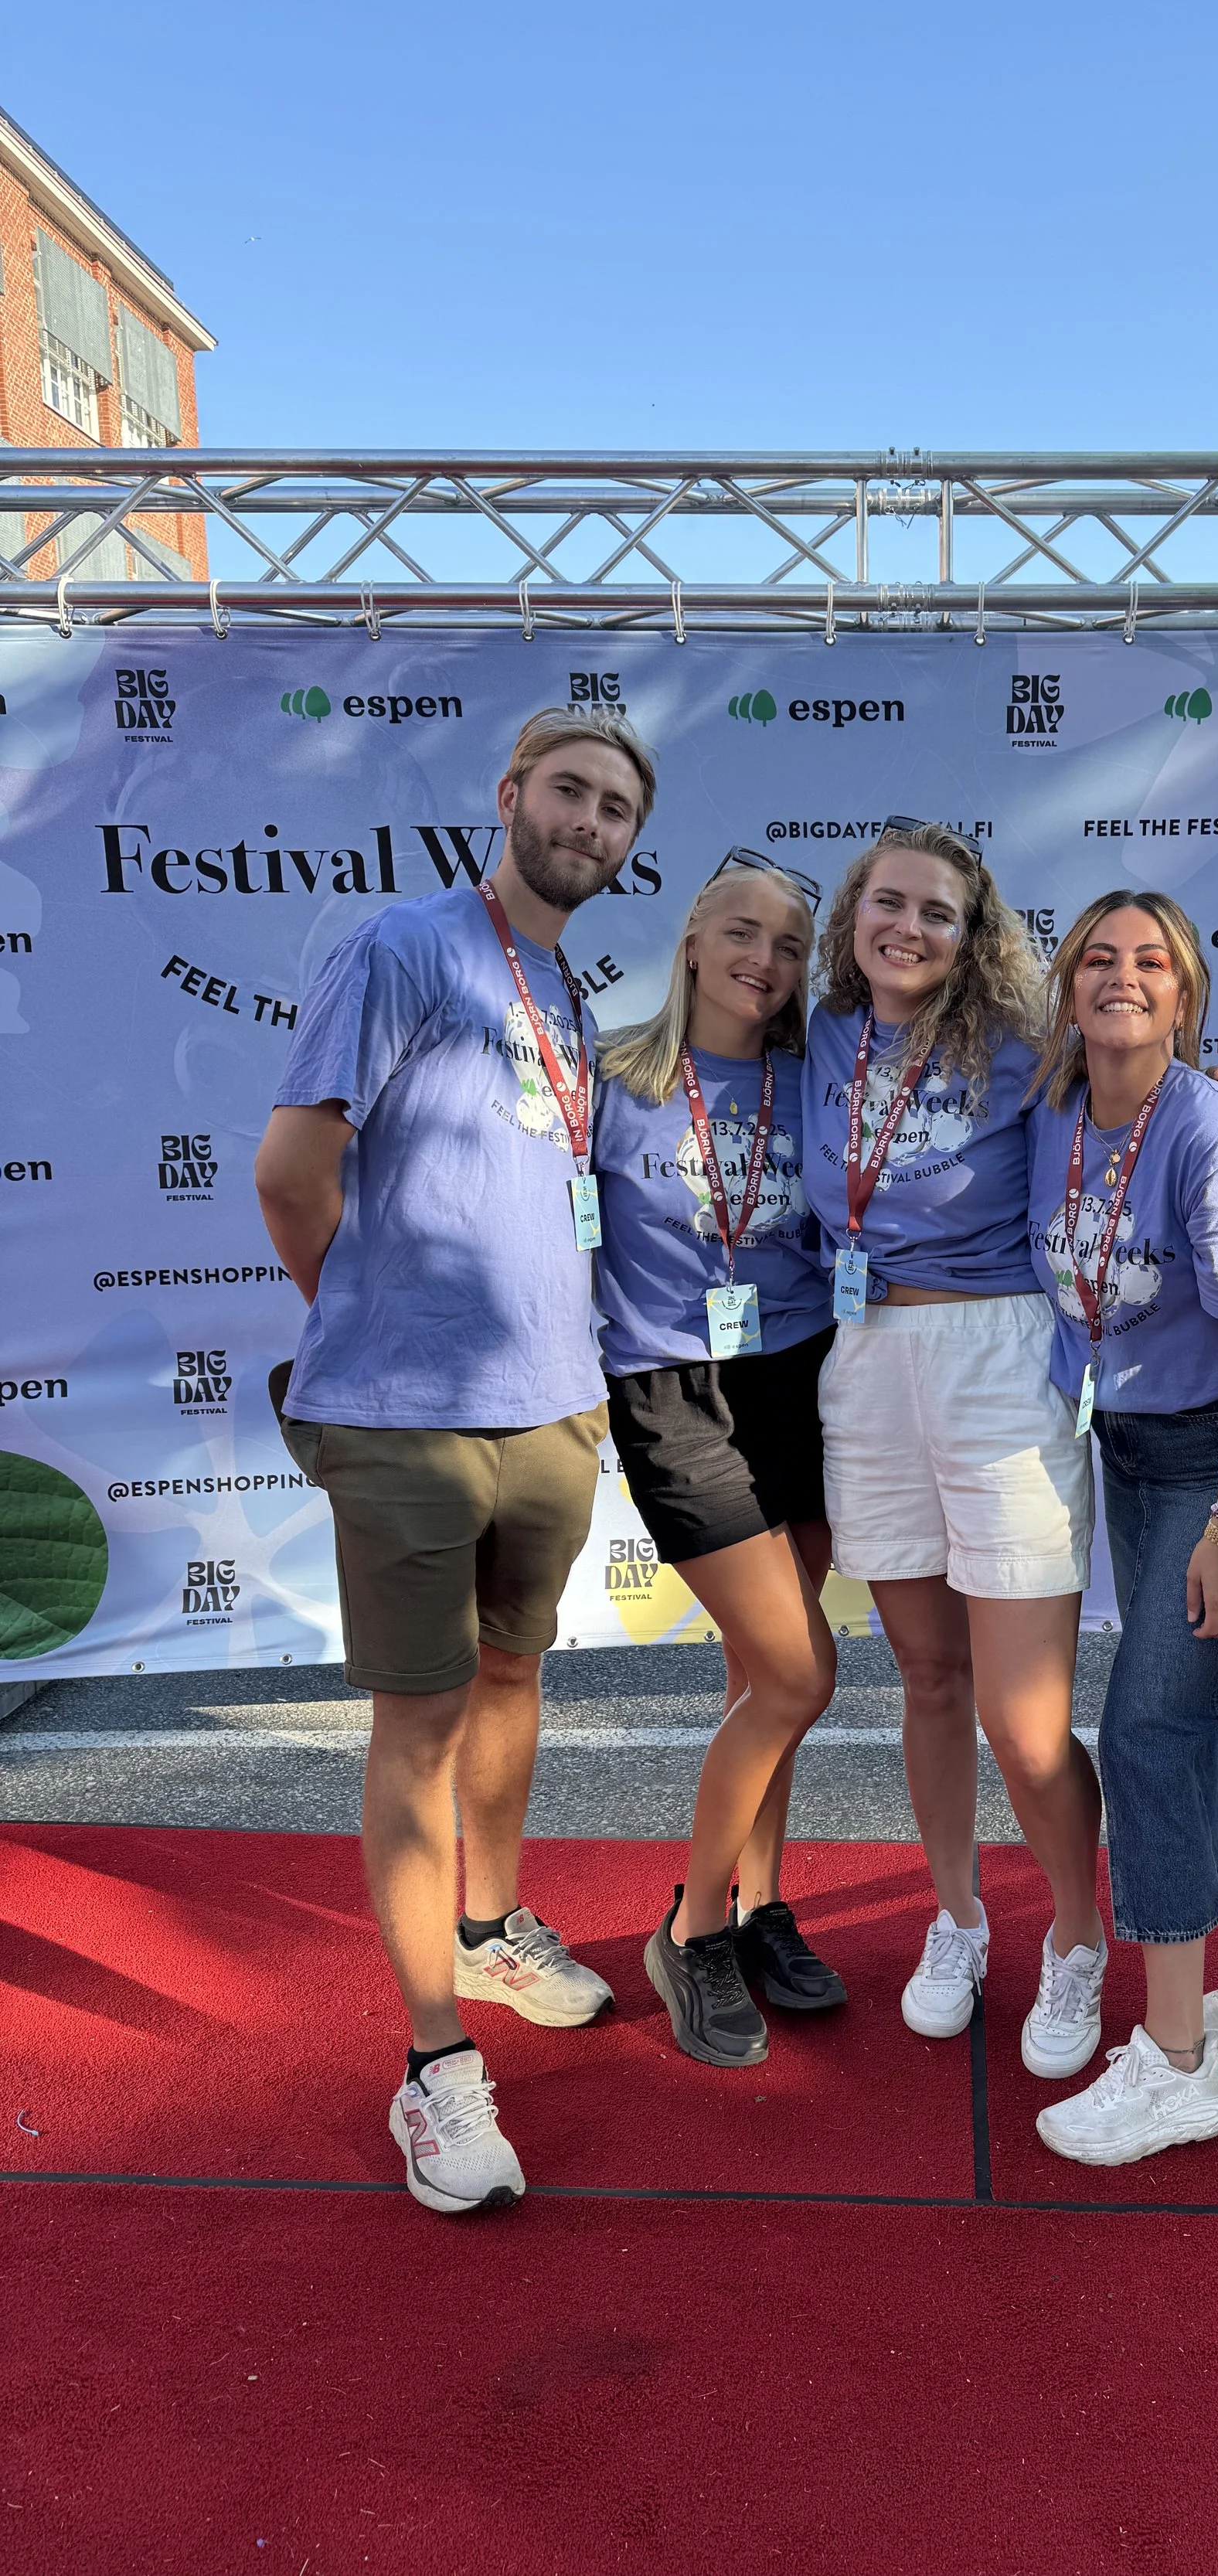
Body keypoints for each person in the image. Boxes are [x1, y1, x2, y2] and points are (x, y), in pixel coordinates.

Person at [254, 705, 655, 2217]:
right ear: (510, 796)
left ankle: (488, 1927)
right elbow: (295, 1172)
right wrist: (364, 1324)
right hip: (409, 1419)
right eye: (570, 790)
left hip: (550, 1416)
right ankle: (433, 2067)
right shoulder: (401, 947)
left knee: (510, 1676)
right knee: (416, 1726)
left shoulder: (557, 982)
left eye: (616, 807)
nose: (590, 821)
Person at [802, 825, 1218, 2081]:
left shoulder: (1031, 1051)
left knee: (1025, 1717)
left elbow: (1143, 1099)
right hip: (865, 1361)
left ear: (975, 936)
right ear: (854, 915)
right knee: (927, 1677)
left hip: (1002, 1366)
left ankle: (1076, 1938)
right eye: (887, 903)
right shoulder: (813, 1043)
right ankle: (955, 1920)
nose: (908, 927)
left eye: (939, 913)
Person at [1022, 893, 1218, 2166]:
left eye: (1153, 962)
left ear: (1188, 996)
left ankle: (1174, 2059)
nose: (1124, 978)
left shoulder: (1217, 1139)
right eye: (1099, 957)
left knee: (1147, 1729)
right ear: (1069, 987)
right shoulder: (1058, 1111)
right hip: (1133, 1448)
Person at [593, 849, 844, 2070]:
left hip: (803, 1380)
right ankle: (690, 1927)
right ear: (692, 938)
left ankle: (756, 1907)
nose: (765, 960)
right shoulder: (607, 1080)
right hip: (670, 1393)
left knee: (761, 1673)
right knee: (800, 1676)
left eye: (790, 945)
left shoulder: (822, 1082)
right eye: (742, 932)